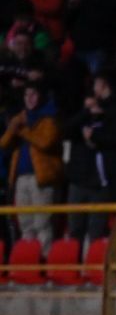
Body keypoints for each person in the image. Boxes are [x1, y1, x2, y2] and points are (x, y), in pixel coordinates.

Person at [1, 82, 62, 242]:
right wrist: (13, 127)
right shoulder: (20, 119)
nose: (30, 98)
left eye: (33, 94)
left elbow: (45, 142)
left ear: (40, 96)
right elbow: (4, 143)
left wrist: (24, 131)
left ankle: (44, 263)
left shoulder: (49, 118)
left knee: (42, 223)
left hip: (40, 178)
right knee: (25, 224)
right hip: (20, 178)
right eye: (26, 95)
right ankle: (30, 262)